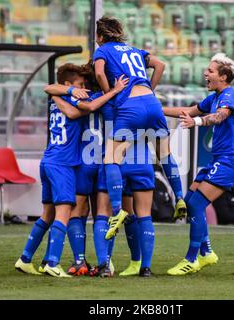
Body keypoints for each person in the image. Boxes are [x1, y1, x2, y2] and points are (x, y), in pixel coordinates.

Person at [14, 63, 127, 278]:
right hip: (90, 161)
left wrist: (61, 93)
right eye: (78, 85)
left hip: (68, 161)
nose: (81, 87)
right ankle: (102, 262)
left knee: (63, 213)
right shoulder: (103, 98)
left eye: (83, 84)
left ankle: (60, 260)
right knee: (98, 213)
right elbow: (83, 110)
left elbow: (51, 90)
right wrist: (115, 90)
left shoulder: (64, 97)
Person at [93, 17, 186, 240]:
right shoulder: (135, 51)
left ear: (100, 36)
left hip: (129, 106)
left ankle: (117, 211)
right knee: (165, 155)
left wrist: (110, 94)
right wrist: (149, 90)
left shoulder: (103, 50)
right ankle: (180, 197)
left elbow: (98, 73)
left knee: (111, 158)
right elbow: (160, 64)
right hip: (152, 104)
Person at [162, 52, 234, 275]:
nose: (205, 73)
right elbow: (188, 111)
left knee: (196, 205)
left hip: (231, 161)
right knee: (190, 201)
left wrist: (197, 121)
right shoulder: (214, 97)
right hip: (220, 160)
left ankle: (191, 259)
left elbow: (219, 117)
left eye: (210, 71)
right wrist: (154, 108)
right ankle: (206, 251)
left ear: (224, 76)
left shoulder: (229, 96)